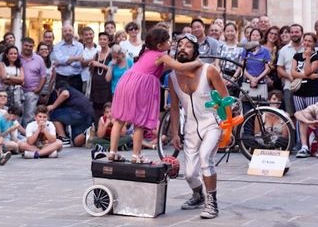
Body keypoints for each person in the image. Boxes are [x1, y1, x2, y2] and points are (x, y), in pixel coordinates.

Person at [108, 29, 202, 163]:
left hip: (126, 82)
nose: (170, 42)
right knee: (139, 122)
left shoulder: (147, 53)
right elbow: (181, 67)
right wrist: (197, 63)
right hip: (140, 86)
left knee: (119, 120)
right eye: (168, 41)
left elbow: (158, 68)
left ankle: (112, 152)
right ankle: (136, 155)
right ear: (159, 46)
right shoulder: (161, 55)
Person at [169, 34, 229, 219]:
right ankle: (198, 195)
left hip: (211, 123)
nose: (182, 48)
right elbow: (174, 108)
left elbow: (226, 100)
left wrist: (227, 128)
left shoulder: (208, 70)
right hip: (190, 127)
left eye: (187, 45)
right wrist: (175, 134)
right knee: (189, 174)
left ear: (195, 50)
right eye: (180, 45)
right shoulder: (172, 76)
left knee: (205, 158)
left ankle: (212, 204)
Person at [47, 81, 95, 147]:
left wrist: (53, 106)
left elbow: (65, 94)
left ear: (58, 89)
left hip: (78, 112)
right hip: (88, 117)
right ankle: (86, 134)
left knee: (53, 115)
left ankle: (64, 139)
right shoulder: (76, 94)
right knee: (76, 142)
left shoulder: (65, 89)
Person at [236, 29, 271, 105]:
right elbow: (242, 67)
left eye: (257, 35)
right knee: (245, 104)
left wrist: (257, 79)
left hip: (261, 81)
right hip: (247, 81)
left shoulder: (265, 51)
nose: (255, 37)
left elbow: (267, 68)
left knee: (261, 107)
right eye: (253, 35)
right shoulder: (246, 51)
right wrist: (251, 78)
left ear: (261, 38)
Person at [291, 33, 318, 114]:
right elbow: (293, 73)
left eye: (310, 41)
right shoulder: (296, 56)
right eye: (305, 40)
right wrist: (309, 77)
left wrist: (308, 56)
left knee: (311, 115)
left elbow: (308, 71)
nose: (307, 43)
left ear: (314, 43)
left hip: (312, 91)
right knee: (299, 115)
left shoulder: (317, 57)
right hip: (298, 90)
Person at [276, 24, 304, 115]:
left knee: (304, 114)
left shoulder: (307, 48)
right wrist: (288, 77)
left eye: (297, 32)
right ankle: (293, 130)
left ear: (302, 33)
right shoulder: (283, 50)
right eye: (292, 32)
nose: (294, 34)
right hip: (289, 86)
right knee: (290, 114)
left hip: (306, 85)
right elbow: (279, 68)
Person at [19, 37, 46, 124]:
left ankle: (28, 135)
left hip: (32, 92)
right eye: (26, 45)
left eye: (30, 46)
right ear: (22, 45)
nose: (28, 48)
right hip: (18, 91)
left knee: (29, 115)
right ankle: (17, 135)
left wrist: (39, 89)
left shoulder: (39, 59)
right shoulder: (16, 57)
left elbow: (43, 76)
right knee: (18, 114)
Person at [53, 25, 85, 92]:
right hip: (61, 78)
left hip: (76, 78)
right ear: (62, 33)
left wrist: (63, 62)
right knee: (61, 100)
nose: (68, 32)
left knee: (76, 101)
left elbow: (78, 63)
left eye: (70, 30)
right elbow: (60, 60)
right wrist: (76, 58)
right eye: (65, 31)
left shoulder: (79, 46)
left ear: (73, 33)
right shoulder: (57, 46)